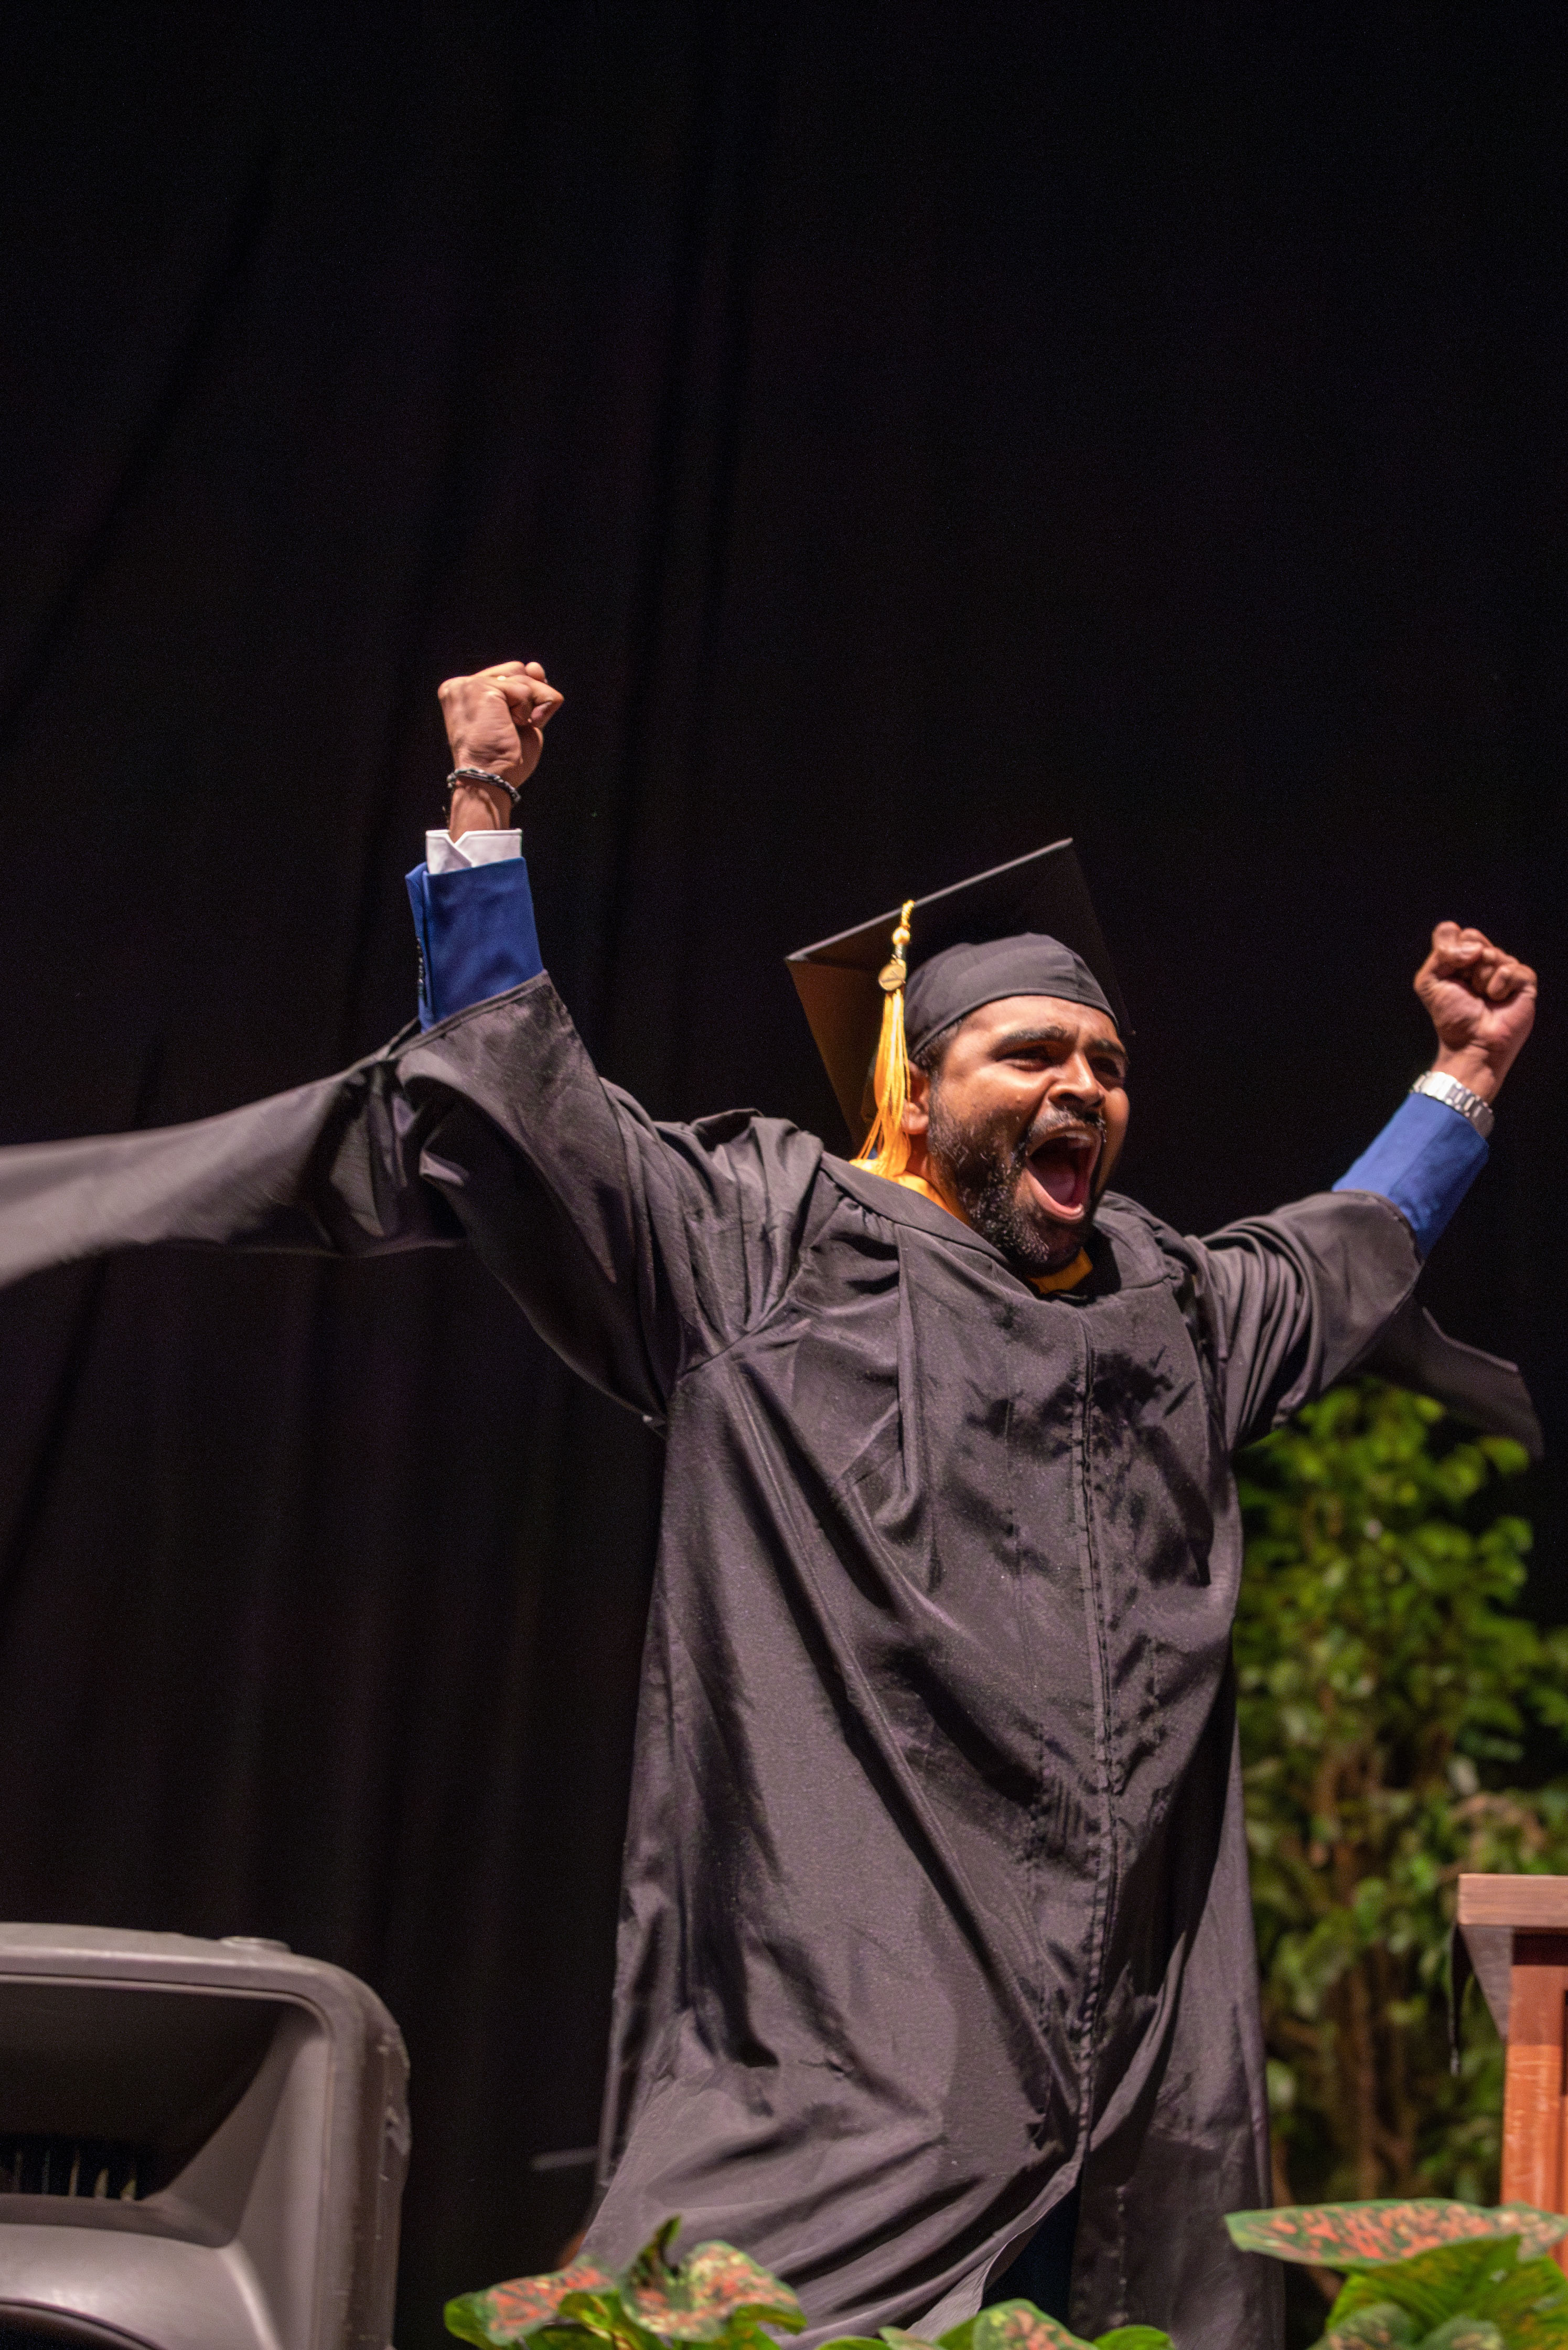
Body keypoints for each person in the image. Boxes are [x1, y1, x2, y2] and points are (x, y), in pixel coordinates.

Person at [0, 660, 1539, 2349]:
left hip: (1130, 2095)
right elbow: (528, 1115)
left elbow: (1337, 1258)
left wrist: (1459, 1080)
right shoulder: (770, 1247)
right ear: (915, 1083)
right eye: (1033, 1051)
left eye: (1106, 1059)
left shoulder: (1168, 1312)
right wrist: (486, 815)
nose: (1084, 1085)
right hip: (856, 2055)